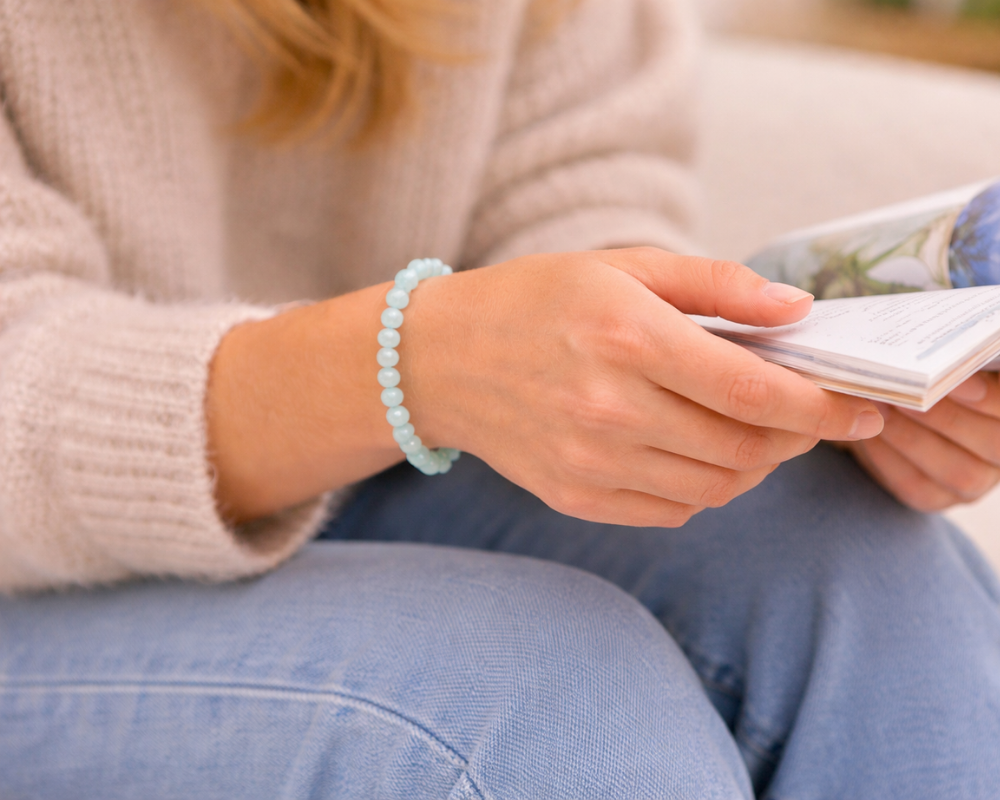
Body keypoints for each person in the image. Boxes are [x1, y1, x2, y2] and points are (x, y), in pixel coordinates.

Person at [0, 0, 997, 797]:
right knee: (542, 703)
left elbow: (578, 199)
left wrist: (754, 383)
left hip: (364, 482)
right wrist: (416, 358)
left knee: (851, 561)